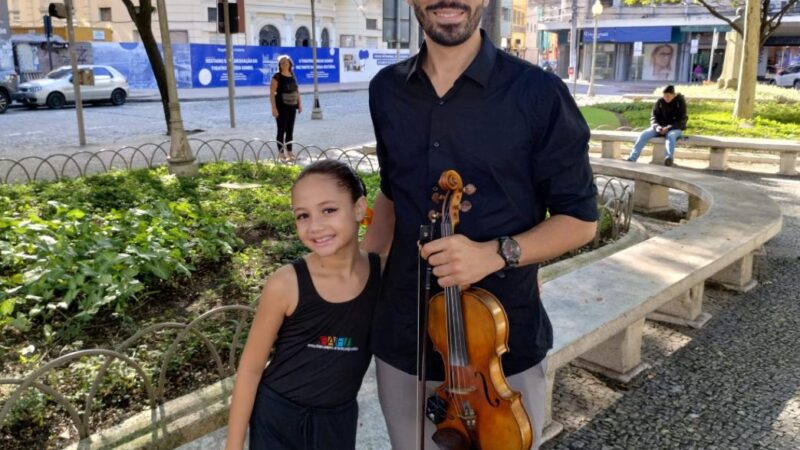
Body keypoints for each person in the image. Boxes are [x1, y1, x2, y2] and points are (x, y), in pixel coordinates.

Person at [362, 1, 598, 449]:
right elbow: (393, 195)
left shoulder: (538, 94)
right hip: (402, 340)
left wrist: (495, 253)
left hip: (499, 352)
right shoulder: (386, 91)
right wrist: (354, 273)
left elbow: (580, 220)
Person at [225, 160, 381, 450]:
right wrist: (232, 446)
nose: (315, 226)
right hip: (278, 417)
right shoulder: (285, 284)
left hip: (338, 420)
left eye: (329, 210)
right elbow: (251, 368)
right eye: (302, 215)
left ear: (359, 209)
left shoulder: (380, 272)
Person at [625, 85, 687, 167]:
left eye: (668, 96)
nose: (666, 98)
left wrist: (669, 127)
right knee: (644, 134)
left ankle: (668, 158)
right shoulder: (660, 102)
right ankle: (632, 158)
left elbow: (682, 120)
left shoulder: (680, 102)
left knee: (671, 136)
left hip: (675, 129)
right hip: (659, 128)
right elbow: (653, 117)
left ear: (673, 95)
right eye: (665, 96)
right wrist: (657, 127)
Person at [271, 55, 302, 163]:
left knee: (290, 130)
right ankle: (281, 153)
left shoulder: (292, 75)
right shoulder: (277, 77)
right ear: (279, 65)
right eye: (282, 62)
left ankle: (289, 152)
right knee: (281, 130)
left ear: (290, 64)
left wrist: (299, 104)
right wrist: (274, 108)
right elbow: (271, 94)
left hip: (292, 106)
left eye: (286, 62)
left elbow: (297, 91)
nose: (285, 64)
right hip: (281, 107)